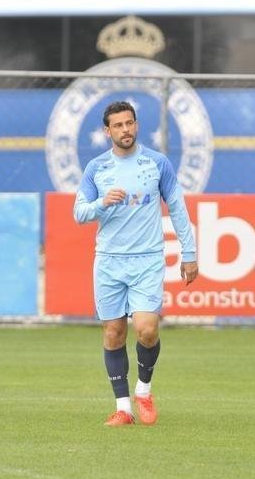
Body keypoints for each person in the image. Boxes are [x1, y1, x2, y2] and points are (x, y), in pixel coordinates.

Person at [73, 100, 198, 427]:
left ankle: (144, 389)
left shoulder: (156, 163)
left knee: (146, 329)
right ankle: (123, 409)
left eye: (129, 123)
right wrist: (102, 203)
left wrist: (189, 253)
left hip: (147, 260)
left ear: (136, 125)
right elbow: (79, 213)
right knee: (114, 333)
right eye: (118, 125)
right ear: (107, 131)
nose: (125, 130)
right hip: (109, 262)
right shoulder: (97, 169)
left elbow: (178, 207)